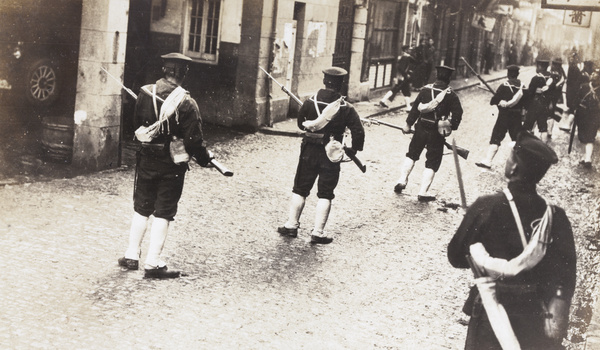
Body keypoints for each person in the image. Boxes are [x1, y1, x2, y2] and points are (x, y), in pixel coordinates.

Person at [448, 131, 577, 349]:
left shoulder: (486, 206)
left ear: (514, 168)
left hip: (490, 312)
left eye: (509, 158)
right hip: (534, 313)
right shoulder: (556, 216)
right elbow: (565, 272)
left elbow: (456, 256)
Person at [118, 52, 212, 279]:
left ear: (164, 71)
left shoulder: (144, 92)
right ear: (184, 74)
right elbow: (194, 141)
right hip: (171, 165)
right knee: (164, 211)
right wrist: (205, 158)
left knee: (142, 206)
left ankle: (131, 255)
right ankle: (152, 263)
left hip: (146, 159)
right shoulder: (187, 103)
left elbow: (136, 126)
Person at [277, 67, 365, 244]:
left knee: (300, 188)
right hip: (331, 154)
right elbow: (358, 132)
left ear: (324, 82)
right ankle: (318, 232)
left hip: (309, 150)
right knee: (325, 193)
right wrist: (354, 149)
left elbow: (302, 125)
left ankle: (291, 226)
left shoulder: (310, 102)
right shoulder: (346, 108)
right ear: (341, 85)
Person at [394, 65, 463, 201]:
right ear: (448, 78)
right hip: (437, 133)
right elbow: (458, 114)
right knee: (432, 161)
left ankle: (402, 180)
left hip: (420, 128)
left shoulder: (425, 90)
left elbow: (415, 109)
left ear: (436, 76)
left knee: (412, 154)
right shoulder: (451, 95)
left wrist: (408, 125)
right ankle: (422, 192)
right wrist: (451, 126)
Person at [476, 65, 525, 169]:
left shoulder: (504, 85)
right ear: (517, 74)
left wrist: (500, 101)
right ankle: (518, 164)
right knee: (516, 139)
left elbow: (493, 101)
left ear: (508, 74)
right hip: (517, 117)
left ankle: (488, 161)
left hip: (504, 116)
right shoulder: (523, 87)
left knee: (496, 137)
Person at [574, 70, 600, 168]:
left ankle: (588, 159)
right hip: (582, 114)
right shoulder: (584, 86)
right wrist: (575, 108)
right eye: (592, 73)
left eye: (595, 74)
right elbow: (577, 98)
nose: (592, 75)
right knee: (582, 136)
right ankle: (584, 156)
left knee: (590, 136)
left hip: (594, 116)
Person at [379, 45, 416, 112]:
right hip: (402, 78)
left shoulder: (404, 57)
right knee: (403, 91)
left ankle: (383, 100)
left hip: (401, 77)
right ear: (405, 50)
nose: (410, 50)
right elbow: (401, 68)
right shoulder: (405, 57)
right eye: (408, 49)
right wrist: (406, 75)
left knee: (400, 90)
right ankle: (408, 107)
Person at [523, 59, 552, 142]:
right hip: (545, 105)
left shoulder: (536, 78)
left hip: (534, 105)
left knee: (528, 126)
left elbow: (530, 93)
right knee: (543, 128)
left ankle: (526, 145)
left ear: (540, 67)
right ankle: (544, 147)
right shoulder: (551, 78)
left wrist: (526, 106)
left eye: (537, 66)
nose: (536, 68)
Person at [560, 51, 583, 132]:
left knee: (573, 107)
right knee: (571, 106)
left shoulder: (574, 68)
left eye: (572, 59)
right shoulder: (572, 67)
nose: (570, 60)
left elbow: (577, 81)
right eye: (570, 59)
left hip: (573, 91)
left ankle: (569, 125)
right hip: (571, 90)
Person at [547, 58, 567, 138]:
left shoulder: (551, 69)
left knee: (549, 112)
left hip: (551, 93)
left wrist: (555, 85)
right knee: (551, 112)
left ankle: (548, 130)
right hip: (556, 94)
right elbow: (564, 80)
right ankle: (549, 131)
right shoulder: (561, 71)